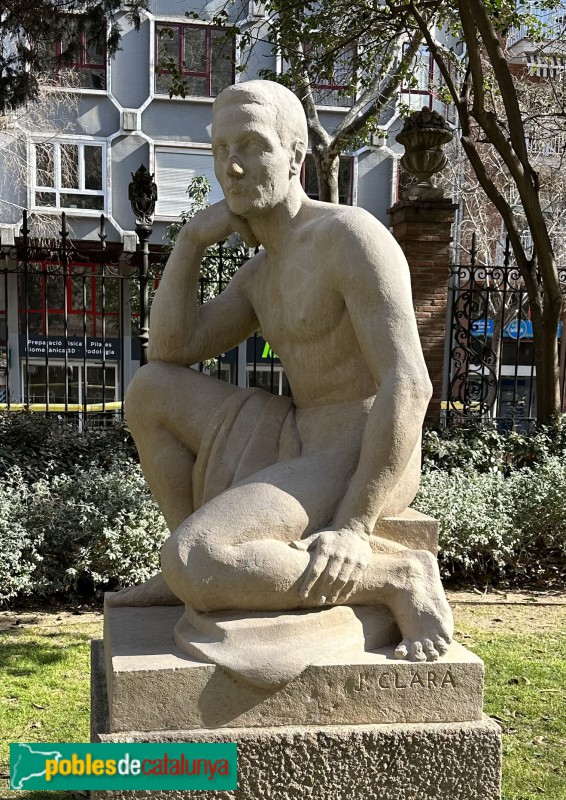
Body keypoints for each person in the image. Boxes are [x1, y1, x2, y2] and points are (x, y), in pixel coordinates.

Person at [108, 80, 453, 663]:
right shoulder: (259, 273)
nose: (232, 166)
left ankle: (399, 578)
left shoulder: (350, 238)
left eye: (252, 145)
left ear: (295, 157)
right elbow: (170, 349)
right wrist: (190, 240)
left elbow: (409, 383)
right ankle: (198, 565)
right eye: (219, 150)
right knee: (151, 391)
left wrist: (354, 526)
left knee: (198, 558)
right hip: (297, 432)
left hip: (357, 447)